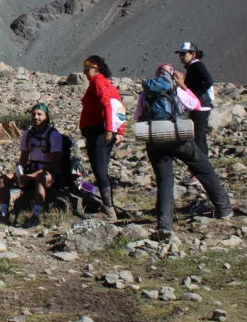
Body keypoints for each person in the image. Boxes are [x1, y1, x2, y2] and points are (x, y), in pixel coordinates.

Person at [135, 63, 232, 240]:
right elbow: (195, 105)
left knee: (164, 181)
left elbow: (137, 117)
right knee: (204, 169)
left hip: (155, 140)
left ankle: (164, 225)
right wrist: (183, 86)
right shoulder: (176, 90)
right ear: (172, 76)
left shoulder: (145, 94)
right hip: (178, 137)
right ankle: (224, 208)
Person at [79, 55, 126, 220]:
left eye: (87, 69)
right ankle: (108, 205)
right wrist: (119, 131)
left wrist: (109, 130)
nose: (85, 72)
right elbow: (119, 107)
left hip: (98, 133)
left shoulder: (98, 81)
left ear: (96, 68)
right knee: (102, 170)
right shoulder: (108, 83)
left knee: (100, 171)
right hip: (103, 131)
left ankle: (109, 211)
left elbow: (107, 104)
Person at [0, 103, 62, 228]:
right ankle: (4, 213)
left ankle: (36, 215)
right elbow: (23, 158)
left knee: (41, 178)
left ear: (46, 117)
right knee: (3, 179)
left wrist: (31, 176)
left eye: (39, 114)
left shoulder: (54, 135)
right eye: (33, 114)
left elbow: (54, 163)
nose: (36, 117)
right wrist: (20, 173)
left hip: (50, 172)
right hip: (31, 169)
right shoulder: (27, 135)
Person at [177, 42, 214, 185]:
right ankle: (201, 171)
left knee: (198, 138)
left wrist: (194, 95)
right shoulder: (193, 67)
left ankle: (200, 173)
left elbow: (208, 81)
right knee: (198, 137)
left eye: (184, 54)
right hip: (199, 106)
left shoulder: (197, 66)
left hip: (201, 107)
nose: (181, 57)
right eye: (180, 54)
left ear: (193, 54)